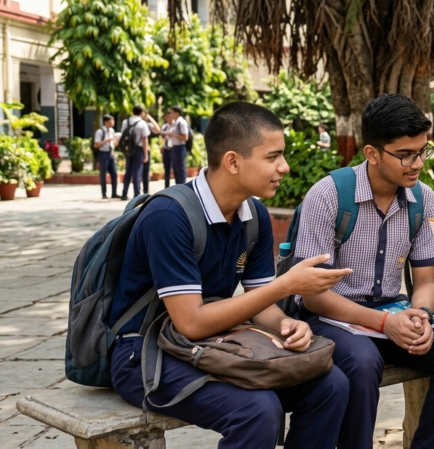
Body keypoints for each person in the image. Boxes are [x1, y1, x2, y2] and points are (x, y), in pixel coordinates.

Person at [107, 101, 353, 448]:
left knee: (332, 385)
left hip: (211, 340)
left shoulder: (254, 214)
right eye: (272, 157)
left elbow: (262, 304)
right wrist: (286, 285)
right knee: (258, 409)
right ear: (233, 161)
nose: (284, 167)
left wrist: (286, 324)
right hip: (144, 353)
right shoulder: (169, 216)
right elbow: (190, 323)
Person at [294, 94, 434, 449]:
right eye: (405, 154)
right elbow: (313, 296)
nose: (417, 163)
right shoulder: (329, 195)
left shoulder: (422, 199)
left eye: (423, 151)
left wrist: (421, 316)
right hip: (332, 316)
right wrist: (383, 324)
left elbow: (425, 281)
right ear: (372, 153)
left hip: (391, 311)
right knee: (362, 364)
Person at [120, 105, 151, 201]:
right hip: (139, 149)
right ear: (141, 112)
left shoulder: (126, 122)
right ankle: (136, 194)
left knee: (128, 171)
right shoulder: (142, 123)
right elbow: (144, 139)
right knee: (137, 172)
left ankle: (124, 193)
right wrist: (146, 154)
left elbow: (123, 135)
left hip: (129, 149)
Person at [159, 105, 190, 188]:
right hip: (174, 148)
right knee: (176, 170)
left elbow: (185, 137)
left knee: (180, 170)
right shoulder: (175, 123)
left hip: (179, 148)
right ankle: (178, 187)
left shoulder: (181, 122)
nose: (171, 114)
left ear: (177, 113)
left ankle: (183, 187)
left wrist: (173, 135)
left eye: (172, 112)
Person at [93, 114, 119, 199]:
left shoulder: (112, 130)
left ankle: (114, 193)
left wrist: (116, 142)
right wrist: (106, 140)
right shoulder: (100, 132)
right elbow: (96, 145)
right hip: (103, 153)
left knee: (114, 173)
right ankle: (104, 194)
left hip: (110, 153)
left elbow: (114, 143)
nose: (113, 122)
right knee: (103, 174)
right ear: (106, 122)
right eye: (111, 121)